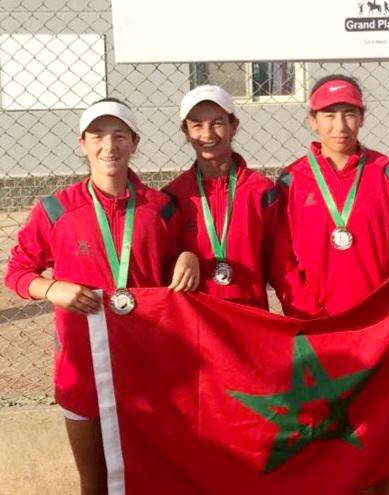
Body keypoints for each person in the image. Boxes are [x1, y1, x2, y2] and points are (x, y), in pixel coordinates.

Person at [4, 98, 198, 494]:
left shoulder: (159, 209)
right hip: (83, 365)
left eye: (119, 135)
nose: (109, 145)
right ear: (82, 143)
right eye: (98, 136)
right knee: (93, 483)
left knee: (152, 476)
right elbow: (17, 272)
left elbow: (172, 262)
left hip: (146, 366)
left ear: (135, 143)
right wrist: (52, 288)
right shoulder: (56, 209)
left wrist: (189, 256)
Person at [277, 74, 389, 493]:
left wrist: (382, 318)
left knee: (380, 429)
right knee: (327, 436)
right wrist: (311, 318)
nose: (339, 126)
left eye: (349, 114)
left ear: (362, 118)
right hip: (317, 331)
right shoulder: (290, 182)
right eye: (329, 115)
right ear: (312, 121)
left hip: (375, 329)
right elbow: (283, 264)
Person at [163, 85, 319, 316]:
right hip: (195, 328)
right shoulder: (173, 196)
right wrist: (183, 257)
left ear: (233, 126)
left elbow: (282, 268)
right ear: (186, 131)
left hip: (250, 322)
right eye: (197, 125)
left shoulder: (261, 192)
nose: (207, 134)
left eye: (217, 123)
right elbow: (158, 268)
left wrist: (310, 321)